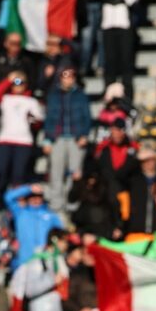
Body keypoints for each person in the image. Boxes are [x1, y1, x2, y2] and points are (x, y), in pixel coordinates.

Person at [0, 73, 44, 212]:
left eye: (21, 83)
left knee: (18, 176)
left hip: (24, 142)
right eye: (15, 83)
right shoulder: (6, 99)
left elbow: (38, 121)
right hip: (5, 140)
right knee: (0, 173)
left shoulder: (32, 101)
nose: (18, 85)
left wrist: (33, 120)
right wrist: (8, 79)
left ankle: (17, 206)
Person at [42, 66, 91, 211]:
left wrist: (84, 135)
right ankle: (56, 204)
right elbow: (49, 118)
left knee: (74, 173)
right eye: (65, 75)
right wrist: (47, 140)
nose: (68, 78)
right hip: (57, 138)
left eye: (71, 75)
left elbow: (87, 117)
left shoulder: (81, 95)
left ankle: (72, 203)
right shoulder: (53, 95)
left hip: (76, 138)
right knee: (56, 172)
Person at [123, 146, 156, 236]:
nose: (149, 163)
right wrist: (137, 157)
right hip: (135, 232)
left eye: (151, 160)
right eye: (146, 160)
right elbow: (118, 175)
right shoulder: (134, 180)